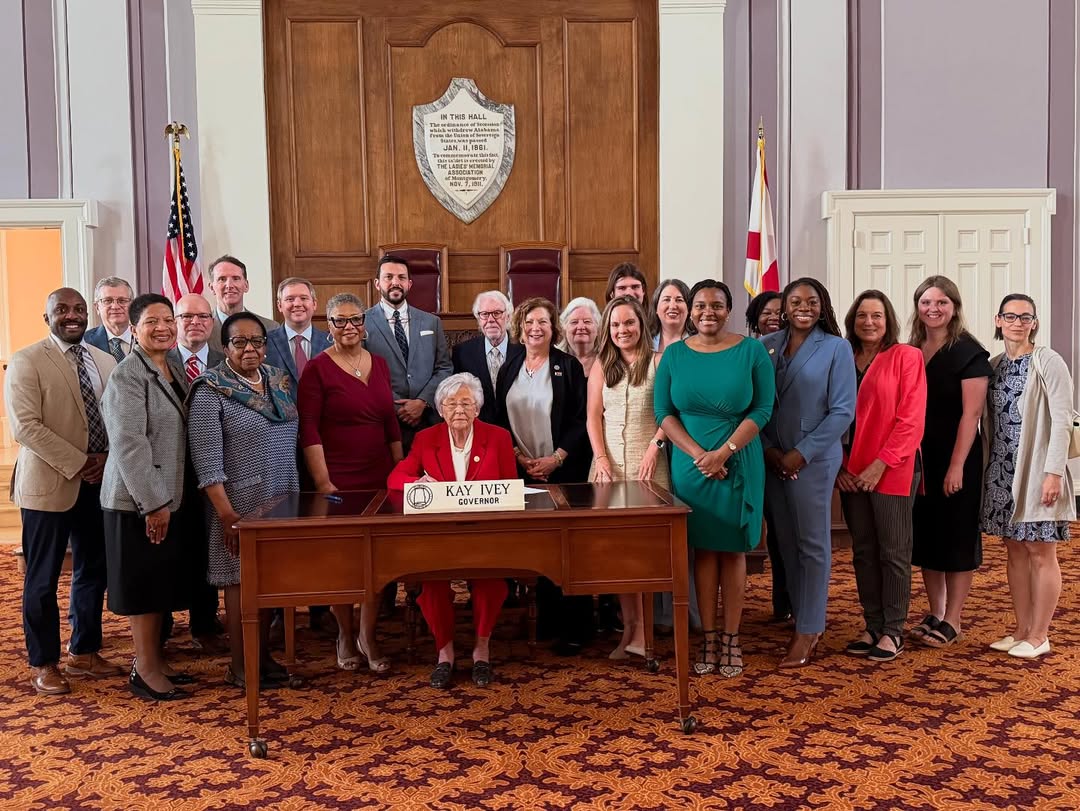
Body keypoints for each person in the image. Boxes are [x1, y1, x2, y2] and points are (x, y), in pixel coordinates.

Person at [4, 288, 123, 695]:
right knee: (43, 578)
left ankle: (85, 650)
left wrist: (106, 459)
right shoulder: (26, 360)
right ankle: (45, 662)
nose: (71, 316)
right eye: (61, 310)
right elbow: (25, 426)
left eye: (78, 310)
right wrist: (80, 461)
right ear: (47, 317)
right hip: (50, 486)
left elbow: (114, 417)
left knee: (93, 570)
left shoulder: (104, 360)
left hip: (98, 484)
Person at [654, 279, 774, 678]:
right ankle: (708, 637)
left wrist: (725, 452)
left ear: (729, 309)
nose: (709, 312)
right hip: (691, 465)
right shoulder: (673, 356)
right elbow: (664, 413)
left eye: (717, 305)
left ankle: (732, 639)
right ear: (690, 309)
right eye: (701, 305)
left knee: (734, 550)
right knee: (703, 551)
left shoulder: (752, 351)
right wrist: (699, 456)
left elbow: (762, 409)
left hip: (739, 461)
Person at [188, 312, 299, 688]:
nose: (249, 349)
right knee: (238, 584)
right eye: (239, 342)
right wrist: (227, 516)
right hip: (237, 506)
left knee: (268, 583)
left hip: (281, 498)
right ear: (225, 347)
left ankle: (262, 657)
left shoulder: (278, 381)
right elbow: (207, 463)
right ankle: (240, 665)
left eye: (257, 341)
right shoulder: (210, 389)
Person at [388, 373, 517, 688]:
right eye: (451, 403)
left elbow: (512, 488)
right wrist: (416, 482)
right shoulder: (426, 439)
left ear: (477, 409)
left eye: (466, 403)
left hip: (486, 536)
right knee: (432, 586)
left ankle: (481, 650)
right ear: (441, 409)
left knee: (491, 582)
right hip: (439, 537)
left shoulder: (498, 437)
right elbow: (395, 478)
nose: (459, 409)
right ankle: (444, 653)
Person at [298, 293, 402, 673]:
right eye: (339, 321)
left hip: (379, 475)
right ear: (329, 325)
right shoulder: (317, 368)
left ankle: (367, 634)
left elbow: (390, 420)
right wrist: (323, 481)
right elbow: (308, 427)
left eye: (355, 319)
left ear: (365, 322)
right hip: (337, 477)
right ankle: (344, 633)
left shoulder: (380, 363)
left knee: (376, 561)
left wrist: (399, 470)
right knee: (342, 562)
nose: (349, 328)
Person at [100, 294, 196, 701]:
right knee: (143, 586)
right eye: (152, 322)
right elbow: (129, 444)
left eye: (168, 320)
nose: (163, 327)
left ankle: (156, 658)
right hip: (138, 500)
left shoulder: (170, 366)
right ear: (134, 329)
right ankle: (144, 669)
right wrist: (153, 504)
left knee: (160, 582)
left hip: (168, 495)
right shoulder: (127, 376)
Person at [760, 278, 856, 668]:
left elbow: (842, 411)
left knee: (812, 544)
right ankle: (802, 611)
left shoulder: (836, 347)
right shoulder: (765, 346)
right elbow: (754, 403)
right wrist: (770, 450)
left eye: (812, 301)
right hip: (772, 458)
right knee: (785, 544)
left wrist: (801, 453)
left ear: (822, 306)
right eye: (796, 301)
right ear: (784, 307)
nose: (804, 307)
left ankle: (810, 628)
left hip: (811, 461)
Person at [495, 296, 591, 654]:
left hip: (562, 471)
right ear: (520, 328)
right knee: (538, 548)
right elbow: (497, 417)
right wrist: (519, 457)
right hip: (523, 472)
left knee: (568, 549)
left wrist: (557, 458)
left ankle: (575, 628)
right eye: (529, 322)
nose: (536, 329)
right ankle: (546, 620)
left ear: (554, 329)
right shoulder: (510, 366)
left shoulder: (567, 366)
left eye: (543, 323)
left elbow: (581, 420)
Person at [982, 294, 1074, 659]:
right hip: (1003, 472)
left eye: (1026, 317)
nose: (1018, 322)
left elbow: (1063, 419)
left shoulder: (1047, 360)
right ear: (998, 320)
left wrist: (1053, 474)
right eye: (1010, 316)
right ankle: (1021, 629)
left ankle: (1040, 635)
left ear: (1034, 323)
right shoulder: (996, 364)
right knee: (1015, 551)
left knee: (1040, 551)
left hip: (1038, 471)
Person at [838, 290, 926, 662]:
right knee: (863, 552)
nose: (869, 322)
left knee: (893, 552)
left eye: (876, 315)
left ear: (888, 319)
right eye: (862, 315)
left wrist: (881, 463)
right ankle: (872, 624)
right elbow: (831, 414)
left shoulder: (907, 356)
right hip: (849, 471)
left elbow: (911, 419)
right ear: (852, 320)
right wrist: (841, 465)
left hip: (893, 469)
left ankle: (893, 630)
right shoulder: (842, 356)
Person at [908, 276, 992, 649]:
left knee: (956, 537)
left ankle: (954, 619)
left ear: (954, 306)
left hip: (957, 456)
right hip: (919, 456)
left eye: (941, 303)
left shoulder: (968, 352)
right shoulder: (912, 348)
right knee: (927, 535)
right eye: (926, 303)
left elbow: (970, 415)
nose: (933, 309)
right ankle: (936, 611)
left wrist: (957, 466)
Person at [587, 297, 670, 659]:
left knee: (644, 556)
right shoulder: (602, 366)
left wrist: (655, 447)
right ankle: (630, 630)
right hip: (608, 471)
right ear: (608, 329)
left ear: (642, 325)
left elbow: (670, 413)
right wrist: (601, 459)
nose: (622, 330)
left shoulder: (659, 362)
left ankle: (645, 634)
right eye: (616, 325)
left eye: (629, 323)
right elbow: (592, 418)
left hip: (648, 468)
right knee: (619, 558)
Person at [164, 293, 227, 654]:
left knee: (208, 545)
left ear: (212, 321)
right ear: (175, 321)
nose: (195, 323)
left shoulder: (223, 361)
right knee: (171, 548)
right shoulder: (160, 360)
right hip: (172, 470)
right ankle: (166, 621)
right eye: (186, 316)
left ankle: (205, 622)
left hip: (215, 470)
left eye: (203, 316)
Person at [363, 254, 453, 450]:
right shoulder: (361, 323)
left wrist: (422, 402)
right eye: (389, 277)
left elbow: (444, 367)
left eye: (401, 277)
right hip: (384, 422)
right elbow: (361, 374)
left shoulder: (431, 322)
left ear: (410, 283)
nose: (395, 282)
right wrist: (398, 406)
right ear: (378, 284)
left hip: (428, 420)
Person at [745, 289, 789, 621]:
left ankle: (787, 602)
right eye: (766, 311)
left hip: (787, 453)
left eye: (780, 311)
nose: (773, 316)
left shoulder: (796, 349)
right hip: (752, 449)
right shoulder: (745, 351)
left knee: (785, 531)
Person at [452, 290, 522, 424]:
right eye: (484, 314)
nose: (491, 320)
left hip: (519, 429)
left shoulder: (523, 350)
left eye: (497, 313)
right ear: (478, 319)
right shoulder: (462, 353)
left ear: (507, 316)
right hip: (480, 430)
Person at [265, 277, 332, 394]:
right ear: (279, 305)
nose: (297, 304)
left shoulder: (331, 343)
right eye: (290, 299)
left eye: (304, 298)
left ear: (314, 304)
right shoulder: (265, 343)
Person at [205, 255, 278, 353]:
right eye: (222, 279)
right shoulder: (202, 330)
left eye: (236, 278)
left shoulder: (270, 328)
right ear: (211, 288)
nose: (229, 285)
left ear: (246, 285)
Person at [84, 277, 135, 362]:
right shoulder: (85, 342)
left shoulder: (146, 338)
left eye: (122, 300)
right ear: (97, 307)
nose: (115, 307)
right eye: (107, 301)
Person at [557, 297, 601, 377]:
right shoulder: (555, 359)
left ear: (598, 328)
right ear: (565, 329)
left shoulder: (608, 359)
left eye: (587, 321)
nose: (581, 327)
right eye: (574, 322)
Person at [650, 279, 693, 354]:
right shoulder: (645, 341)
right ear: (656, 307)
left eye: (679, 300)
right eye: (666, 299)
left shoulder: (700, 343)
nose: (672, 306)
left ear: (689, 309)